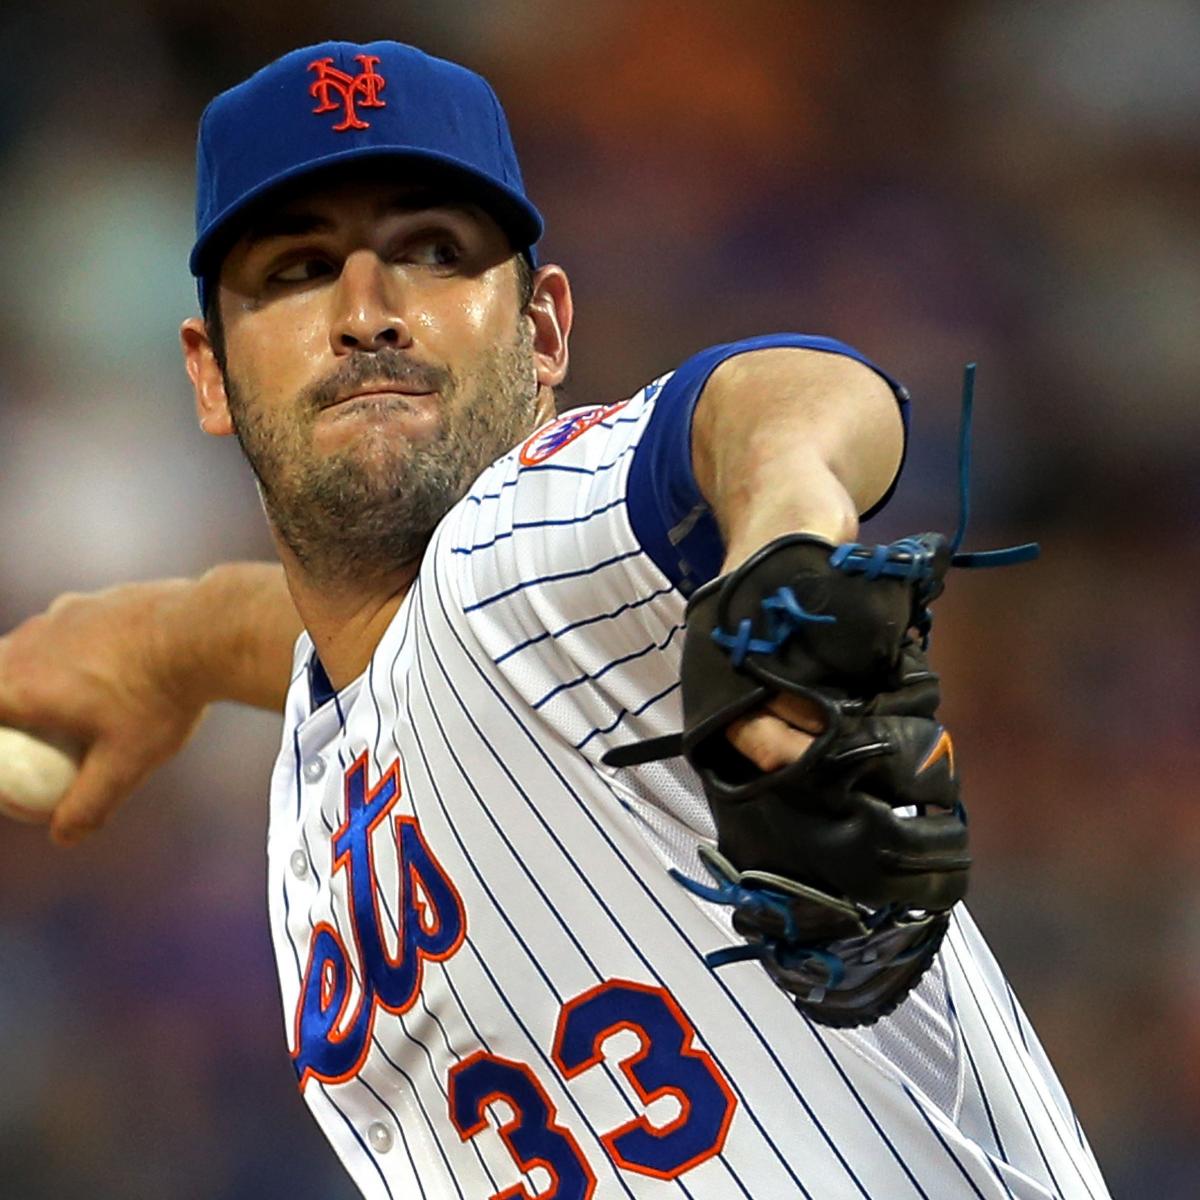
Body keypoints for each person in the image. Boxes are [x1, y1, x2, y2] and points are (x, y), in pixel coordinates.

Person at [0, 40, 1108, 1200]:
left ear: (542, 335)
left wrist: (787, 542)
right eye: (296, 268)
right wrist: (162, 644)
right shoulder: (338, 717)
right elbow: (340, 637)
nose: (370, 311)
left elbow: (785, 400)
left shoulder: (531, 538)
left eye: (435, 252)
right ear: (212, 374)